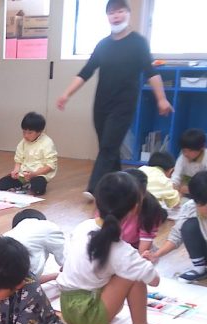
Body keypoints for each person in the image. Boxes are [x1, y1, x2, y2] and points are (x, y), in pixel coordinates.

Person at [56, 0, 172, 198]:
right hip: (101, 104)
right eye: (111, 13)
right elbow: (86, 71)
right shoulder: (103, 45)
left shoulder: (138, 43)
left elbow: (151, 72)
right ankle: (121, 186)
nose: (116, 16)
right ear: (107, 17)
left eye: (120, 11)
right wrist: (66, 94)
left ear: (128, 13)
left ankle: (95, 188)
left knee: (109, 145)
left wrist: (161, 99)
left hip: (124, 104)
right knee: (109, 147)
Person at [57, 172, 163, 324]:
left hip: (67, 308)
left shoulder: (83, 226)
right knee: (134, 274)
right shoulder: (121, 250)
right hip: (89, 315)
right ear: (135, 208)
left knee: (122, 269)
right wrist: (144, 262)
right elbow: (154, 280)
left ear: (97, 202)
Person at [0, 112, 57, 195]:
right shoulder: (23, 143)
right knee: (2, 184)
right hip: (23, 175)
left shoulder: (47, 143)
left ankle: (30, 184)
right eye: (24, 132)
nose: (26, 135)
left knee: (38, 188)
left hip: (39, 174)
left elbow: (50, 165)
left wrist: (34, 174)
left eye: (30, 133)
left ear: (39, 132)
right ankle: (24, 183)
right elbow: (18, 160)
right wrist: (16, 171)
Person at [4, 208, 65, 283]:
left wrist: (55, 276)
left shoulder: (6, 236)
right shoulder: (46, 227)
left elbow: (29, 281)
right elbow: (66, 260)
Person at [121, 168, 167, 255]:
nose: (128, 201)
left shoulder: (151, 210)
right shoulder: (109, 202)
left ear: (143, 194)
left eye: (134, 197)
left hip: (134, 247)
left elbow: (142, 252)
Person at [172, 128, 207, 194]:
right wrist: (173, 185)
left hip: (204, 192)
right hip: (186, 192)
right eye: (184, 150)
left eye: (190, 150)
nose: (186, 154)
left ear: (202, 148)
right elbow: (176, 176)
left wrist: (192, 189)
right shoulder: (182, 158)